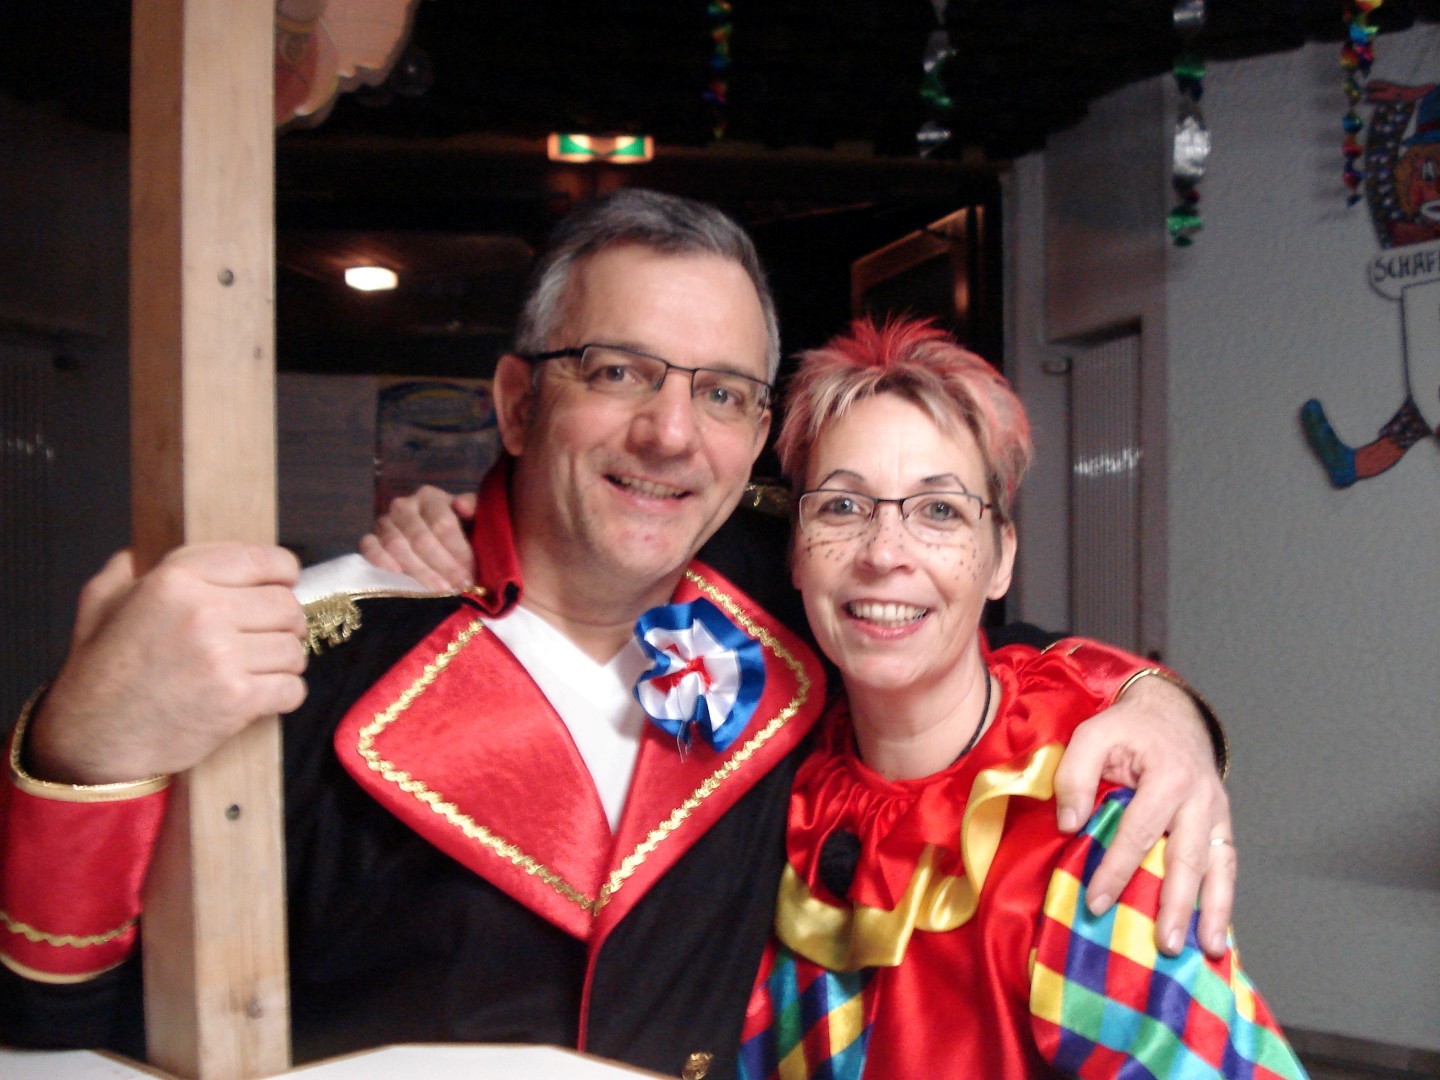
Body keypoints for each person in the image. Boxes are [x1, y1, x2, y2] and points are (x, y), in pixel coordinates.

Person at [0, 190, 1229, 1079]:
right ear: (517, 403)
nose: (671, 434)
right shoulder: (320, 651)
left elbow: (990, 643)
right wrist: (80, 748)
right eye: (618, 371)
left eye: (723, 393)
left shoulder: (797, 607)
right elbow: (55, 1031)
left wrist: (1165, 711)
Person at [728, 318, 1304, 1078]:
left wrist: (1170, 709)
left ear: (1000, 558)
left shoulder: (1080, 831)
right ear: (797, 553)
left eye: (939, 510)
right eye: (842, 506)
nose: (884, 552)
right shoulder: (774, 782)